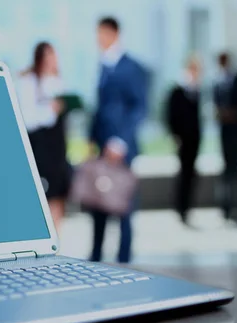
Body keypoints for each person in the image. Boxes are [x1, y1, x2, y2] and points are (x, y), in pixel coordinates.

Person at [89, 17, 148, 264]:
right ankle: (96, 255)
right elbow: (100, 108)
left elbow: (139, 107)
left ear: (113, 33)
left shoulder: (131, 67)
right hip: (102, 148)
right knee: (98, 204)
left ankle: (124, 258)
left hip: (121, 149)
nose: (98, 39)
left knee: (123, 205)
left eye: (101, 34)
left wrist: (119, 141)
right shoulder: (104, 65)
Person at [18, 42, 68, 232]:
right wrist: (50, 109)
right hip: (40, 147)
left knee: (58, 198)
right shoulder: (29, 81)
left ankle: (57, 241)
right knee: (42, 197)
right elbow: (28, 118)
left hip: (58, 149)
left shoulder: (58, 81)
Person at [213, 52, 237, 227]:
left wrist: (234, 113)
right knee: (227, 170)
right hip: (224, 132)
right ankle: (227, 208)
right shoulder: (217, 83)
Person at [165, 56, 203, 226]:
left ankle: (186, 207)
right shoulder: (178, 90)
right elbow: (170, 114)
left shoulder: (196, 90)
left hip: (194, 139)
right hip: (183, 138)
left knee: (191, 174)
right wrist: (175, 134)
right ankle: (181, 207)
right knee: (184, 173)